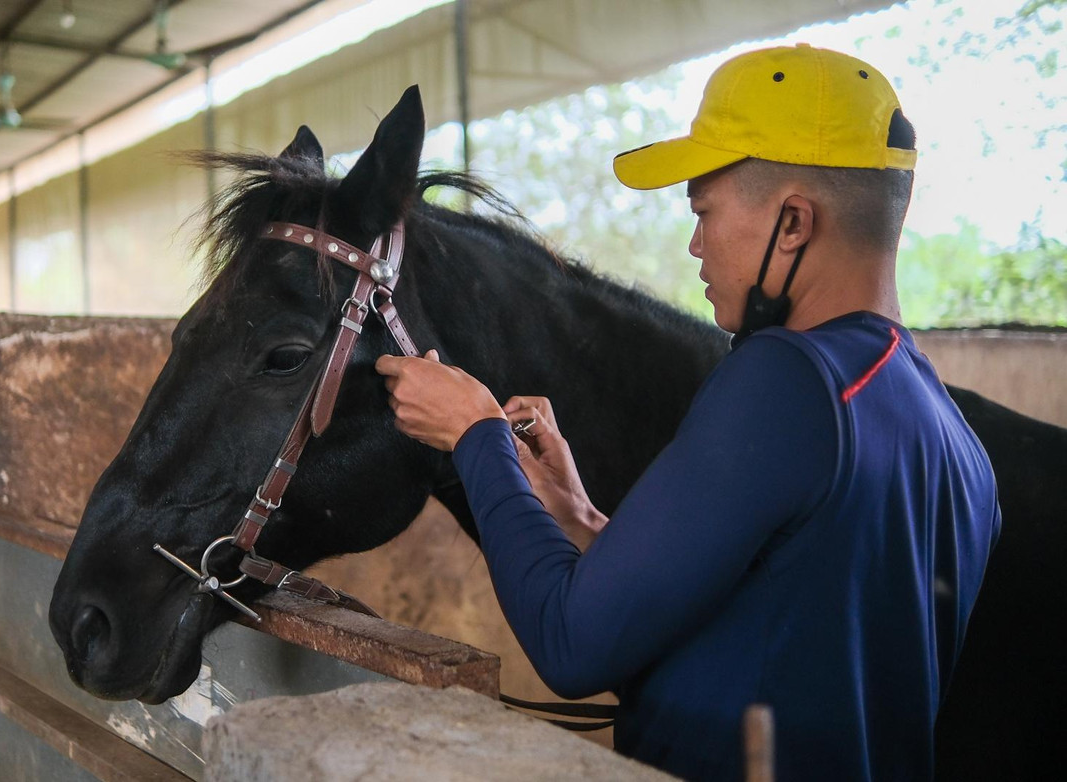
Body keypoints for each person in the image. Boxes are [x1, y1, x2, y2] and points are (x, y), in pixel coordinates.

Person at [375, 44, 1000, 781]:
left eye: (704, 211)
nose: (696, 244)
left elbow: (571, 645)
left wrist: (475, 433)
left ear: (794, 222)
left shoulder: (787, 378)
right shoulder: (951, 435)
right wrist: (582, 518)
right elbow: (785, 622)